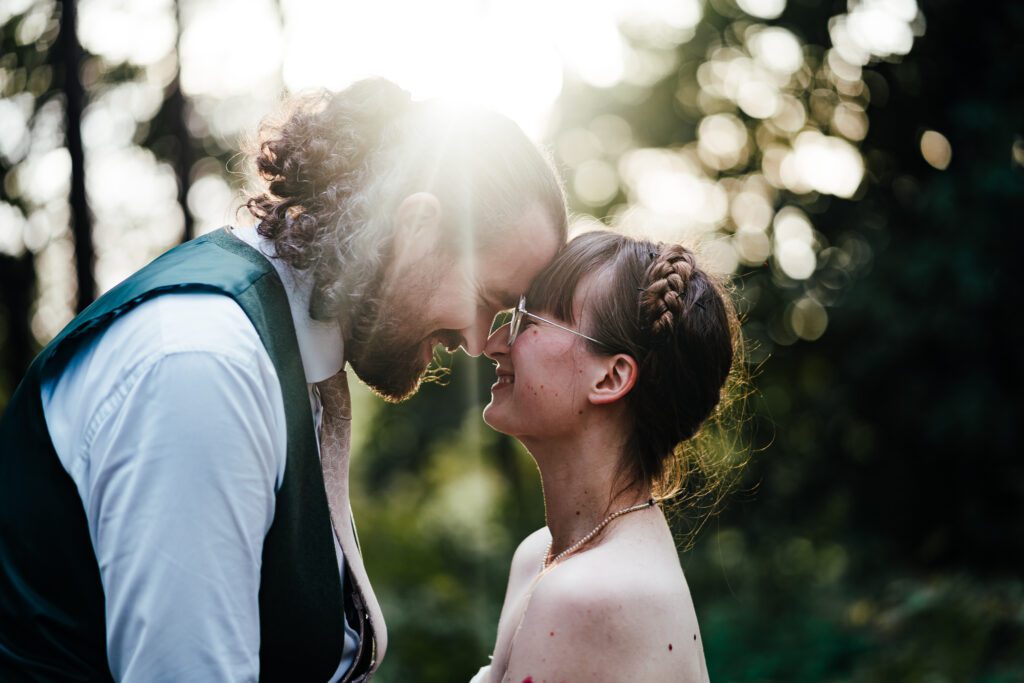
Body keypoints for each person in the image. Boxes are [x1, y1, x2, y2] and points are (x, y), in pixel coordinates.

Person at [0, 77, 566, 682]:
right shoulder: (205, 366)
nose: (481, 343)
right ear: (417, 230)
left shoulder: (290, 345)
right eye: (489, 298)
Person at [473, 230, 741, 682]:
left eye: (528, 320)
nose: (494, 342)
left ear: (611, 377)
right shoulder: (542, 554)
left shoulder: (588, 594)